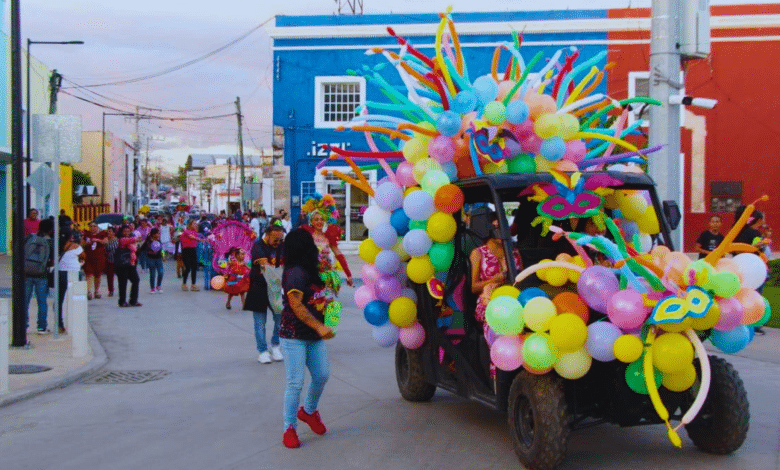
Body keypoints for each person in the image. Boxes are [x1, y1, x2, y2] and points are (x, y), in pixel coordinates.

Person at [279, 228, 335, 449]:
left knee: (322, 375)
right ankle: (289, 428)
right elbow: (296, 305)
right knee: (295, 383)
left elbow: (326, 297)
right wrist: (319, 326)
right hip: (294, 336)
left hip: (313, 336)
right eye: (311, 243)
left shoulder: (313, 270)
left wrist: (331, 318)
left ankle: (309, 412)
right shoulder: (295, 272)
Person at [470, 212, 522, 334]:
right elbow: (473, 288)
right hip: (488, 301)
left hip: (513, 298)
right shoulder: (478, 254)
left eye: (504, 227)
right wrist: (496, 279)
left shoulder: (514, 252)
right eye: (497, 228)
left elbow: (523, 281)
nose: (502, 232)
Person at [244, 224, 285, 364]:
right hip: (259, 287)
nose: (278, 243)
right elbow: (265, 265)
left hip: (276, 289)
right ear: (268, 235)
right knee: (260, 323)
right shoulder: (258, 246)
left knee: (280, 319)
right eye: (276, 239)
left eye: (281, 239)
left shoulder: (281, 245)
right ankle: (262, 351)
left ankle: (276, 346)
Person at [300, 195, 353, 296]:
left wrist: (348, 274)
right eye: (316, 219)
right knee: (313, 305)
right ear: (311, 222)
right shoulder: (307, 237)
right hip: (311, 277)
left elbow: (339, 255)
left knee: (327, 304)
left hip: (327, 277)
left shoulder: (329, 237)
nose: (319, 222)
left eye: (321, 219)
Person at [23, 218, 54, 334]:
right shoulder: (50, 242)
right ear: (51, 229)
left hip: (26, 273)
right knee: (42, 301)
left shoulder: (30, 238)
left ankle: (23, 326)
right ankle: (41, 327)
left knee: (25, 300)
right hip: (42, 274)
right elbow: (52, 260)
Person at [57, 229, 85, 334]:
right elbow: (83, 256)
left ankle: (60, 324)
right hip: (73, 273)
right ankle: (74, 322)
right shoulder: (75, 246)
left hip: (60, 272)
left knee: (60, 298)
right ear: (70, 237)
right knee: (75, 298)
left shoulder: (57, 245)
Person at [115, 225, 142, 307]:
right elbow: (131, 240)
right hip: (123, 264)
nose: (127, 233)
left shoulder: (131, 241)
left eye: (128, 231)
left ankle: (133, 300)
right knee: (123, 283)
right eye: (125, 231)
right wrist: (137, 239)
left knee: (136, 280)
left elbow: (135, 249)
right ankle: (122, 301)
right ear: (121, 232)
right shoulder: (121, 240)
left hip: (131, 264)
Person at [82, 221, 108, 300]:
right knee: (89, 274)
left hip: (99, 256)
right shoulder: (86, 235)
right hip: (89, 256)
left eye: (94, 226)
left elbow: (105, 242)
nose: (93, 228)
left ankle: (96, 291)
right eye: (91, 226)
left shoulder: (102, 234)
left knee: (98, 274)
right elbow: (82, 243)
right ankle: (89, 291)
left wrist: (97, 240)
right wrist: (88, 243)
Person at [180, 219, 203, 291]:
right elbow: (191, 237)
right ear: (190, 224)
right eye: (194, 223)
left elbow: (196, 237)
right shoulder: (185, 231)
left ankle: (193, 284)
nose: (195, 225)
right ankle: (184, 283)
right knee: (188, 268)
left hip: (193, 250)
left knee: (194, 267)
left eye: (196, 223)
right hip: (186, 251)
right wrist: (198, 239)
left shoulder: (195, 232)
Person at [142, 228, 164, 294]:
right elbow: (143, 248)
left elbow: (161, 249)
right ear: (153, 234)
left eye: (159, 233)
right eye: (157, 233)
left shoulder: (159, 240)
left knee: (160, 272)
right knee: (153, 274)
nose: (159, 235)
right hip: (150, 258)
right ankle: (152, 288)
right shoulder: (148, 241)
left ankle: (158, 285)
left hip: (158, 258)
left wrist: (163, 256)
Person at [104, 226, 118, 297]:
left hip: (118, 261)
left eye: (110, 231)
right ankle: (111, 290)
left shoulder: (117, 240)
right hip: (109, 261)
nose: (108, 233)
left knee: (120, 276)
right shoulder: (106, 240)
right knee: (109, 277)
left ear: (114, 233)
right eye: (108, 231)